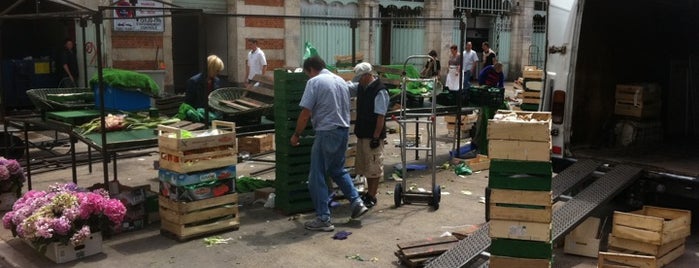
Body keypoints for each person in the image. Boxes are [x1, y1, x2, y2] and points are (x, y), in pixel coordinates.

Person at [290, 56, 368, 232]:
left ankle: (323, 218)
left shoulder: (315, 82)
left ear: (310, 69)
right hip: (343, 131)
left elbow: (305, 113)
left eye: (307, 74)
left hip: (326, 131)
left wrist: (296, 134)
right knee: (337, 169)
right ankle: (357, 202)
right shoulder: (340, 81)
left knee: (316, 176)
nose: (308, 77)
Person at [351, 62, 389, 209]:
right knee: (366, 167)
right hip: (362, 133)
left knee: (374, 168)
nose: (359, 81)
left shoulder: (380, 91)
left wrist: (376, 137)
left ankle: (372, 195)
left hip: (373, 135)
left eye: (360, 78)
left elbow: (381, 116)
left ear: (367, 75)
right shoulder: (362, 87)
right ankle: (368, 193)